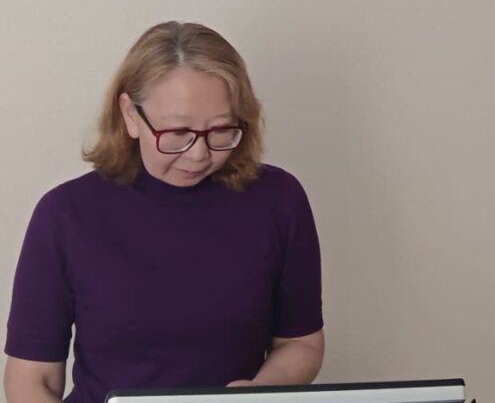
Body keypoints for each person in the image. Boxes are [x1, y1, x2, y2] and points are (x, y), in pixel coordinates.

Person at [4, 21, 324, 403]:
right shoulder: (65, 215)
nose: (199, 154)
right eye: (177, 133)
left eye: (221, 130)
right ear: (130, 115)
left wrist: (256, 394)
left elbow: (300, 344)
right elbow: (32, 380)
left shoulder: (279, 200)